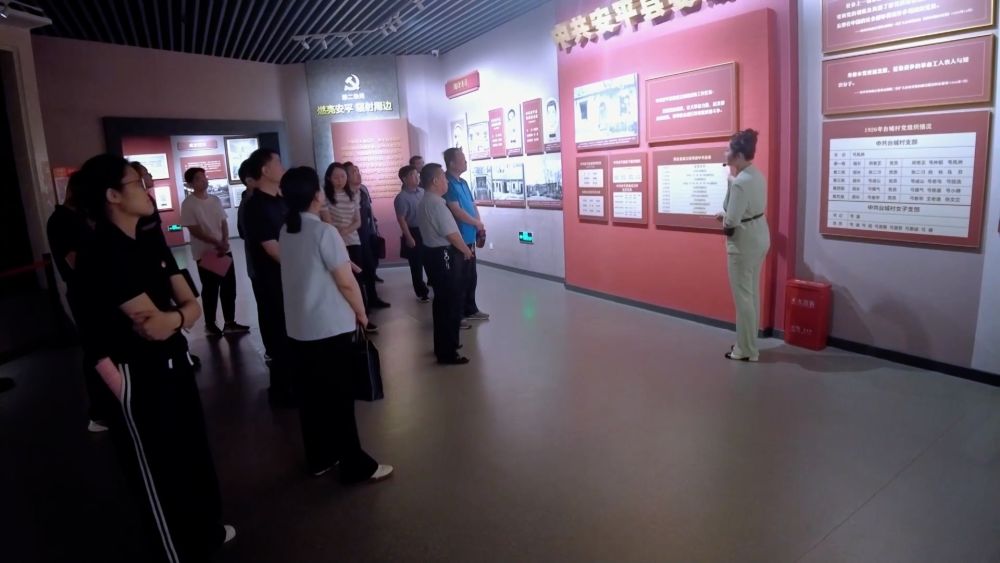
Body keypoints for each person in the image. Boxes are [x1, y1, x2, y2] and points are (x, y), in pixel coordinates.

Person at [74, 154, 235, 561]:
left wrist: (178, 317)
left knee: (191, 451)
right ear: (112, 195)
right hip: (136, 371)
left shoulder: (146, 240)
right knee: (159, 465)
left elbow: (187, 304)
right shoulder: (103, 252)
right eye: (137, 182)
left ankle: (204, 530)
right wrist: (180, 316)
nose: (147, 189)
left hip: (172, 361)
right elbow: (154, 325)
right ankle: (175, 549)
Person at [278, 166, 393, 483]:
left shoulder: (287, 230)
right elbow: (345, 282)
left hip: (300, 328)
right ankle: (355, 465)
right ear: (316, 195)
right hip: (329, 327)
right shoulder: (323, 232)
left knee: (312, 399)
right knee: (340, 400)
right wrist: (362, 313)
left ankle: (320, 457)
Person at [46, 171, 114, 433]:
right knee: (96, 350)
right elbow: (76, 261)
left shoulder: (81, 217)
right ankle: (99, 412)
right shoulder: (61, 220)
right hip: (85, 294)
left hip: (95, 292)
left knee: (104, 347)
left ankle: (110, 403)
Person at [131, 162, 203, 371]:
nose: (149, 177)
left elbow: (191, 308)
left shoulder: (149, 203)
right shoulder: (115, 251)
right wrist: (180, 317)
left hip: (161, 266)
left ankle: (179, 354)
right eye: (140, 178)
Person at [243, 148, 294, 406]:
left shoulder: (281, 201)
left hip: (290, 278)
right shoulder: (255, 206)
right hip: (272, 280)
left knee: (291, 331)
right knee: (278, 331)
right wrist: (301, 267)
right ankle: (283, 390)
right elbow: (272, 249)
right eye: (278, 162)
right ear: (265, 170)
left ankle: (294, 383)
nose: (282, 167)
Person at [715, 129, 770, 362]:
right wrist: (731, 181)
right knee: (751, 294)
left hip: (743, 244)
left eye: (728, 149)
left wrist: (730, 186)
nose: (724, 152)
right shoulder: (755, 175)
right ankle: (749, 342)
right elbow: (743, 210)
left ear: (737, 155)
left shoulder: (740, 183)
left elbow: (731, 221)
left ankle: (746, 350)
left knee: (743, 298)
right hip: (759, 237)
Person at [180, 167, 250, 337]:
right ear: (190, 184)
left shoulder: (215, 200)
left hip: (223, 250)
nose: (204, 180)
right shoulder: (189, 203)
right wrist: (216, 242)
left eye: (204, 176)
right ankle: (210, 324)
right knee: (211, 289)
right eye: (198, 178)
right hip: (206, 253)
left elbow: (223, 221)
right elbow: (194, 229)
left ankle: (229, 322)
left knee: (229, 287)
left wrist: (224, 240)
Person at [418, 163, 474, 364]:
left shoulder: (426, 200)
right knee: (450, 303)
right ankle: (448, 352)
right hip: (444, 257)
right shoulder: (436, 204)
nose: (446, 181)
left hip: (433, 255)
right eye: (443, 177)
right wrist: (466, 250)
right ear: (435, 181)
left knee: (442, 303)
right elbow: (451, 234)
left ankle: (444, 345)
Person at [321, 162, 378, 334]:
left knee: (357, 279)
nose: (340, 180)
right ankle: (346, 317)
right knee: (341, 279)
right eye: (336, 177)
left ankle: (363, 315)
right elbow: (326, 222)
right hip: (334, 242)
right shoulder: (324, 196)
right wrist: (337, 236)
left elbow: (358, 221)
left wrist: (344, 231)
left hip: (353, 240)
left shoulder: (353, 195)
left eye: (343, 176)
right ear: (329, 178)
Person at [443, 148, 489, 323]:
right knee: (459, 278)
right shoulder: (447, 183)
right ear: (452, 163)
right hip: (459, 238)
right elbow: (456, 210)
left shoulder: (463, 182)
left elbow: (472, 204)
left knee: (471, 276)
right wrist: (475, 223)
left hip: (470, 236)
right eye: (462, 159)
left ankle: (471, 309)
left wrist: (479, 224)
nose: (465, 161)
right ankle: (459, 314)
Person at [343, 163, 390, 304]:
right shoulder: (344, 196)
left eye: (358, 170)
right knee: (358, 271)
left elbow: (369, 212)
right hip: (353, 238)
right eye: (353, 172)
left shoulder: (362, 191)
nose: (358, 174)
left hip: (367, 234)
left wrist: (373, 227)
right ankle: (362, 304)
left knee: (370, 268)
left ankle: (373, 298)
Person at [393, 165, 429, 302]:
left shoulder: (423, 192)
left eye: (417, 174)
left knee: (429, 259)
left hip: (426, 229)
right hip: (414, 231)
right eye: (413, 175)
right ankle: (421, 292)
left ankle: (433, 284)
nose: (417, 177)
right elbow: (401, 219)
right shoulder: (401, 198)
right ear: (404, 179)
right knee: (416, 264)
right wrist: (408, 237)